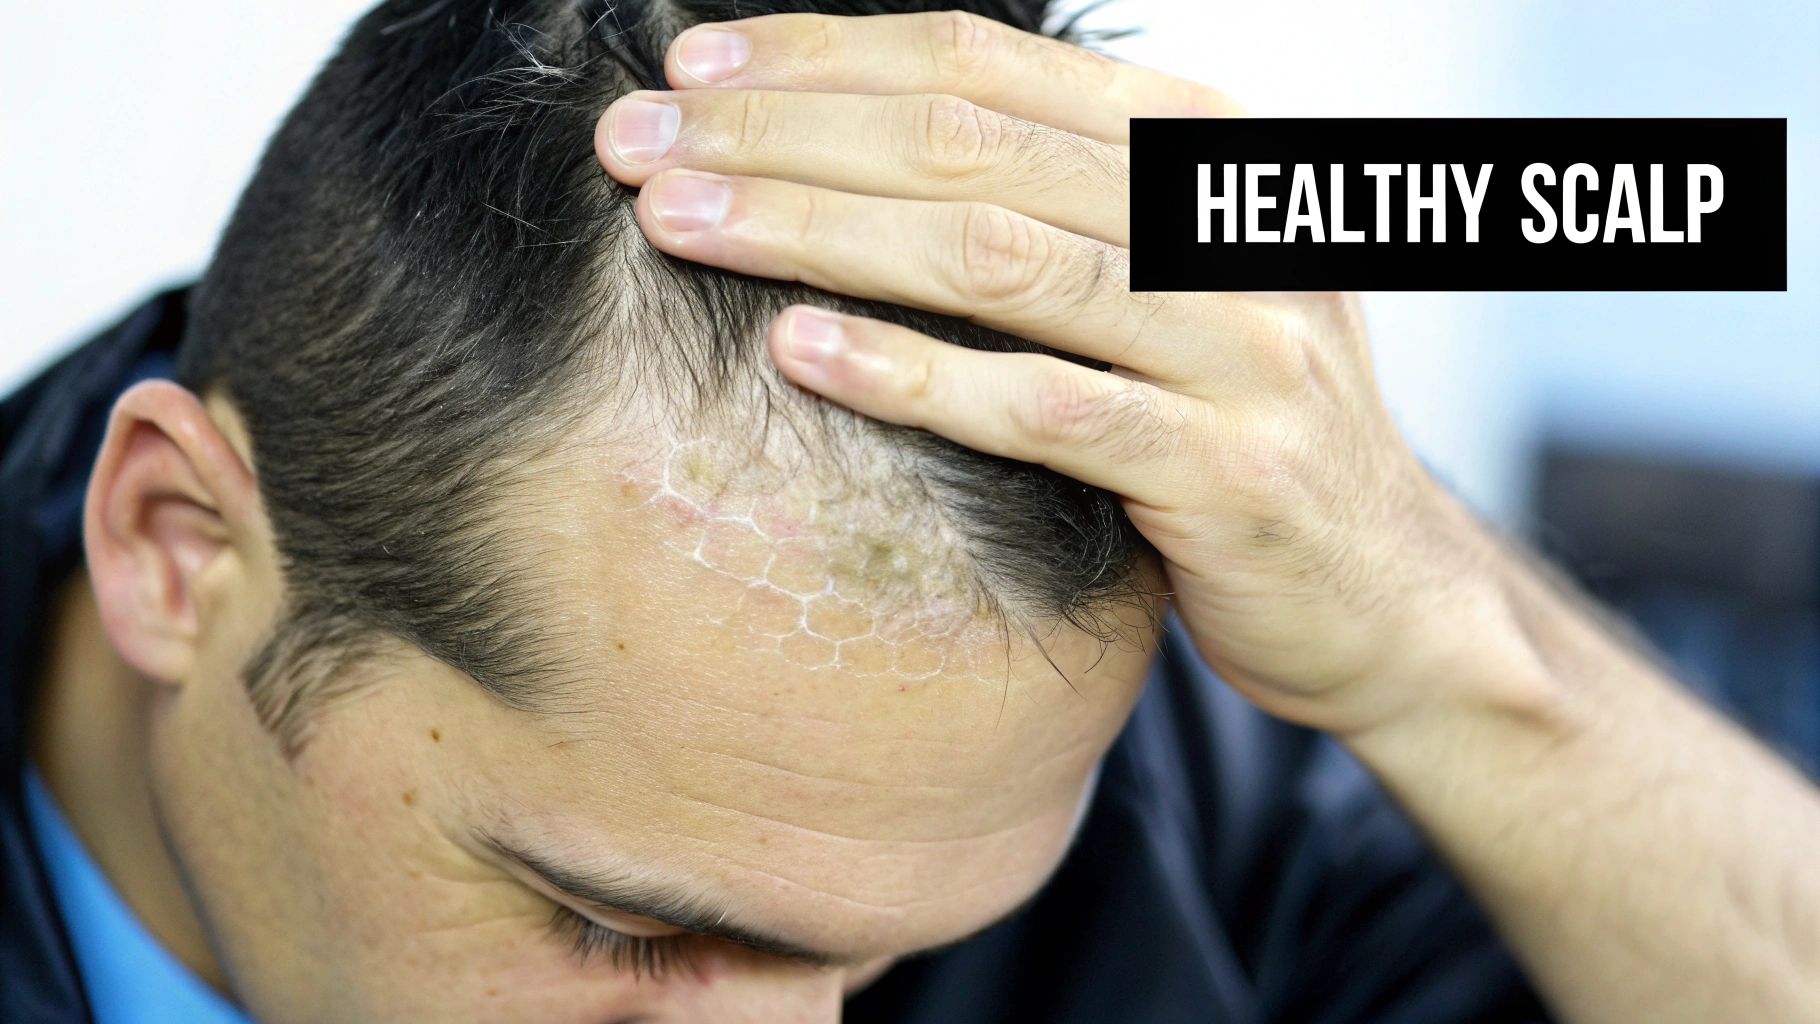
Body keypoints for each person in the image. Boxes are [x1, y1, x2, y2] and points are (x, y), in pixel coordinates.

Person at [2, 2, 1814, 1023]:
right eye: (620, 931)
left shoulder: (1159, 768)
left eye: (889, 955)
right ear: (176, 547)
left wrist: (1463, 660)